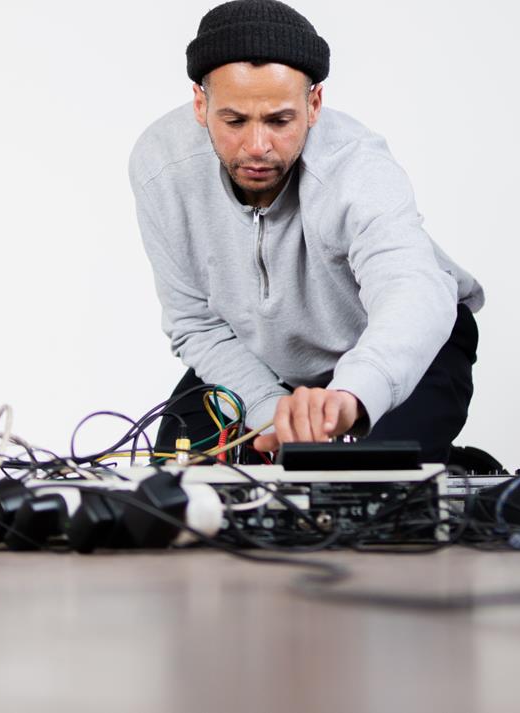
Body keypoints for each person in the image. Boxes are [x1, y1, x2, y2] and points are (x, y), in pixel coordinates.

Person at [129, 0, 484, 463]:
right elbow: (195, 322)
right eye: (234, 121)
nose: (257, 147)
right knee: (177, 488)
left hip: (403, 346)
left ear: (313, 104)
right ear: (201, 103)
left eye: (280, 121)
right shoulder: (161, 166)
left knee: (360, 488)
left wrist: (352, 395)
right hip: (264, 357)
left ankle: (451, 463)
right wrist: (271, 412)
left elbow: (413, 291)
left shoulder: (357, 168)